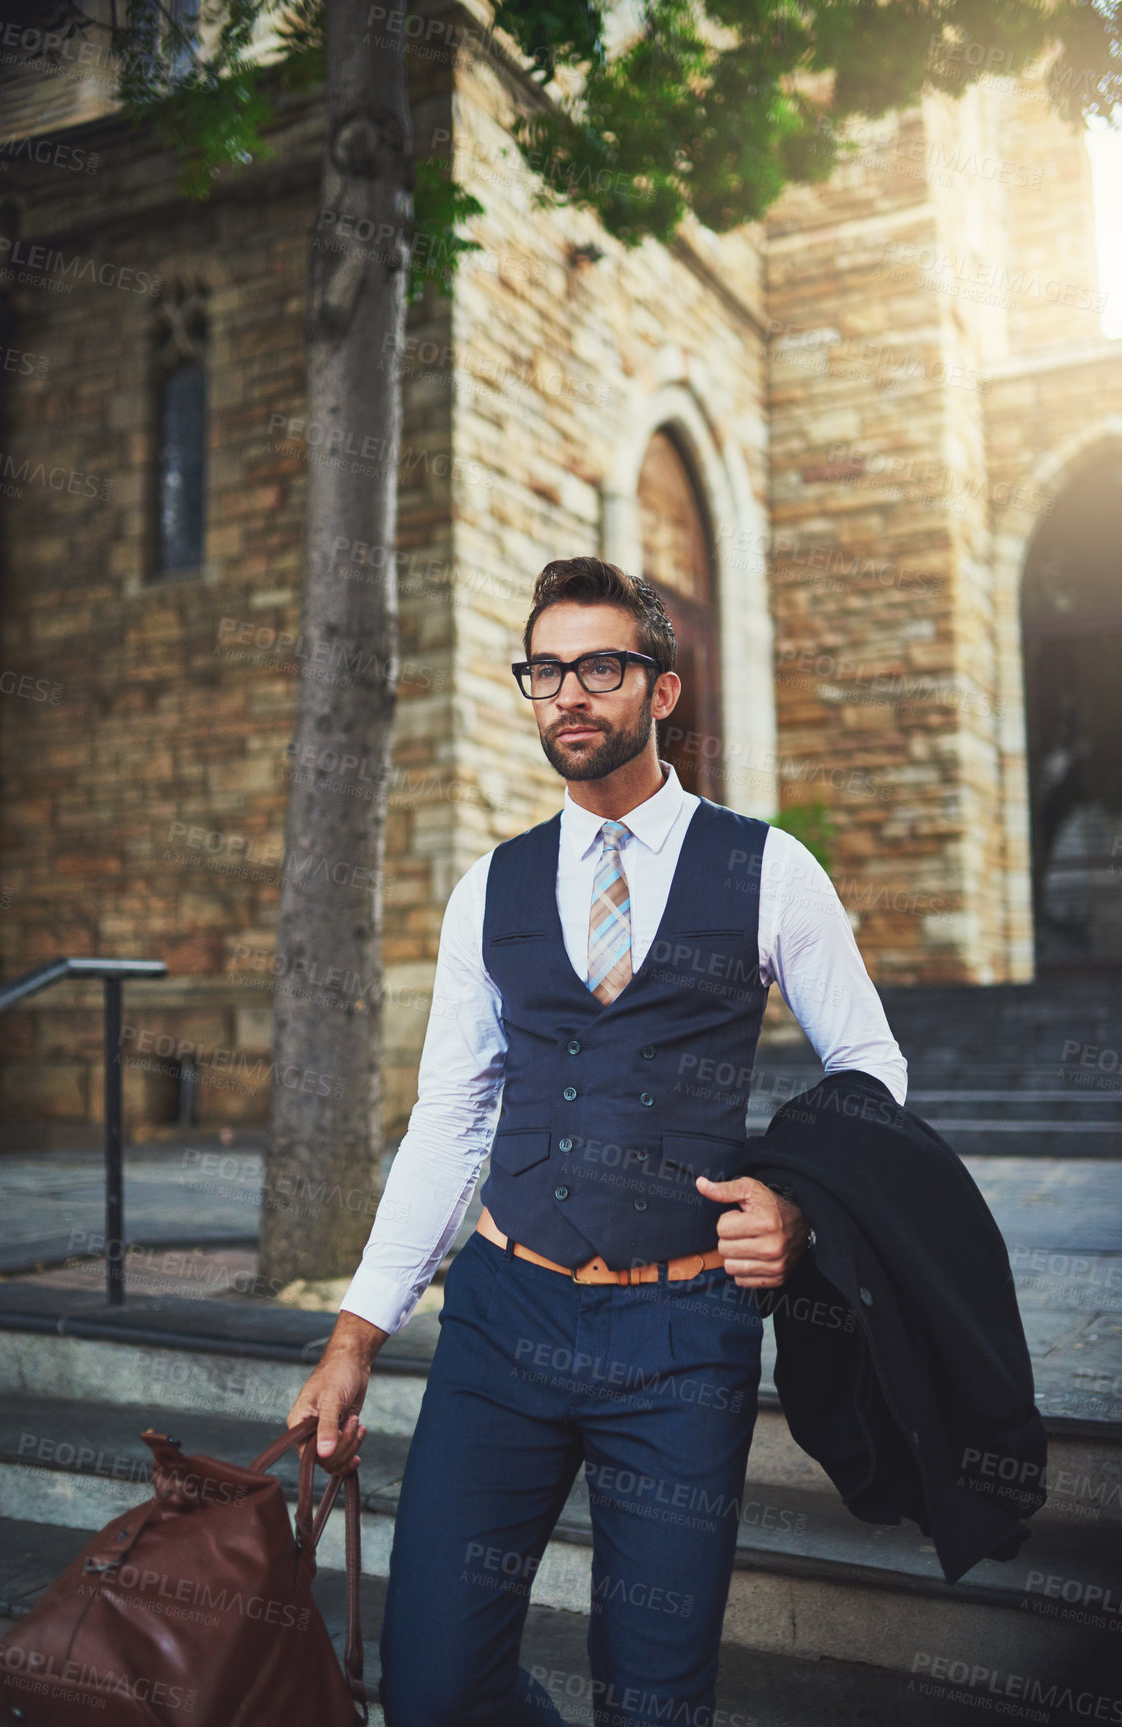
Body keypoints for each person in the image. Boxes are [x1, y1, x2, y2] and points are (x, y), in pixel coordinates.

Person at [288, 555, 908, 1727]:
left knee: (656, 1701)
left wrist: (799, 1204)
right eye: (545, 669)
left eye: (600, 666)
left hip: (679, 1337)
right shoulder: (490, 885)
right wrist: (355, 1333)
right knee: (429, 1689)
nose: (567, 692)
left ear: (660, 691)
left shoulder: (768, 867)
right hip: (501, 1320)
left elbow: (870, 1068)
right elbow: (450, 1113)